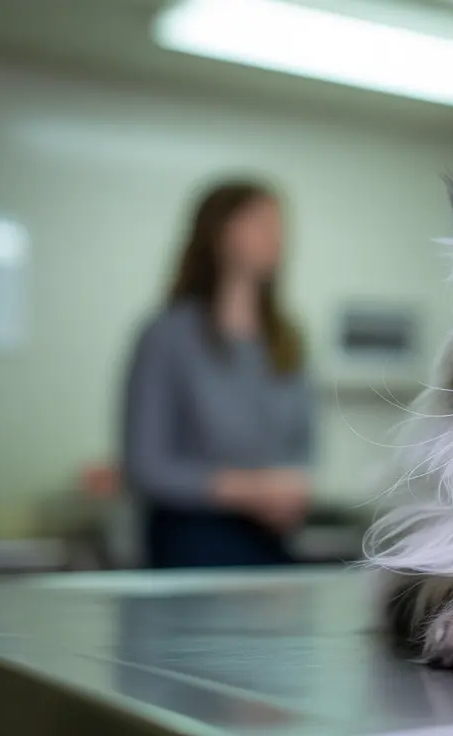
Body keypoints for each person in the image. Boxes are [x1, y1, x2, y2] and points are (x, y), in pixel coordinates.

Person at [120, 179, 315, 568]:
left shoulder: (287, 339)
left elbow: (304, 450)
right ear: (219, 231)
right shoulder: (166, 335)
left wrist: (289, 494)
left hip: (270, 544)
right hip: (190, 543)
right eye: (260, 222)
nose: (276, 236)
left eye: (279, 225)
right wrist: (248, 490)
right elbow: (145, 466)